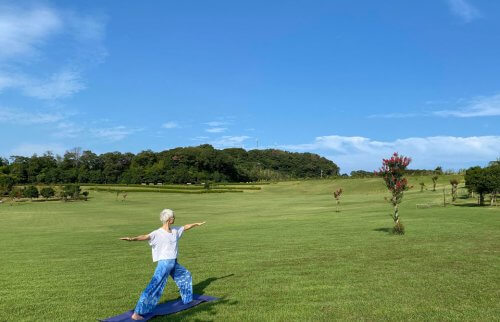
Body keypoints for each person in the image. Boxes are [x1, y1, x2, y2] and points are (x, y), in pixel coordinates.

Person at [120, 209, 205, 320]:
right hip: (164, 264)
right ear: (169, 220)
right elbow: (145, 236)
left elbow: (185, 227)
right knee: (154, 286)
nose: (174, 218)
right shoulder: (157, 233)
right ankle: (137, 313)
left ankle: (188, 299)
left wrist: (196, 224)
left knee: (185, 275)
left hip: (174, 263)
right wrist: (132, 239)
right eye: (173, 217)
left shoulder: (175, 230)